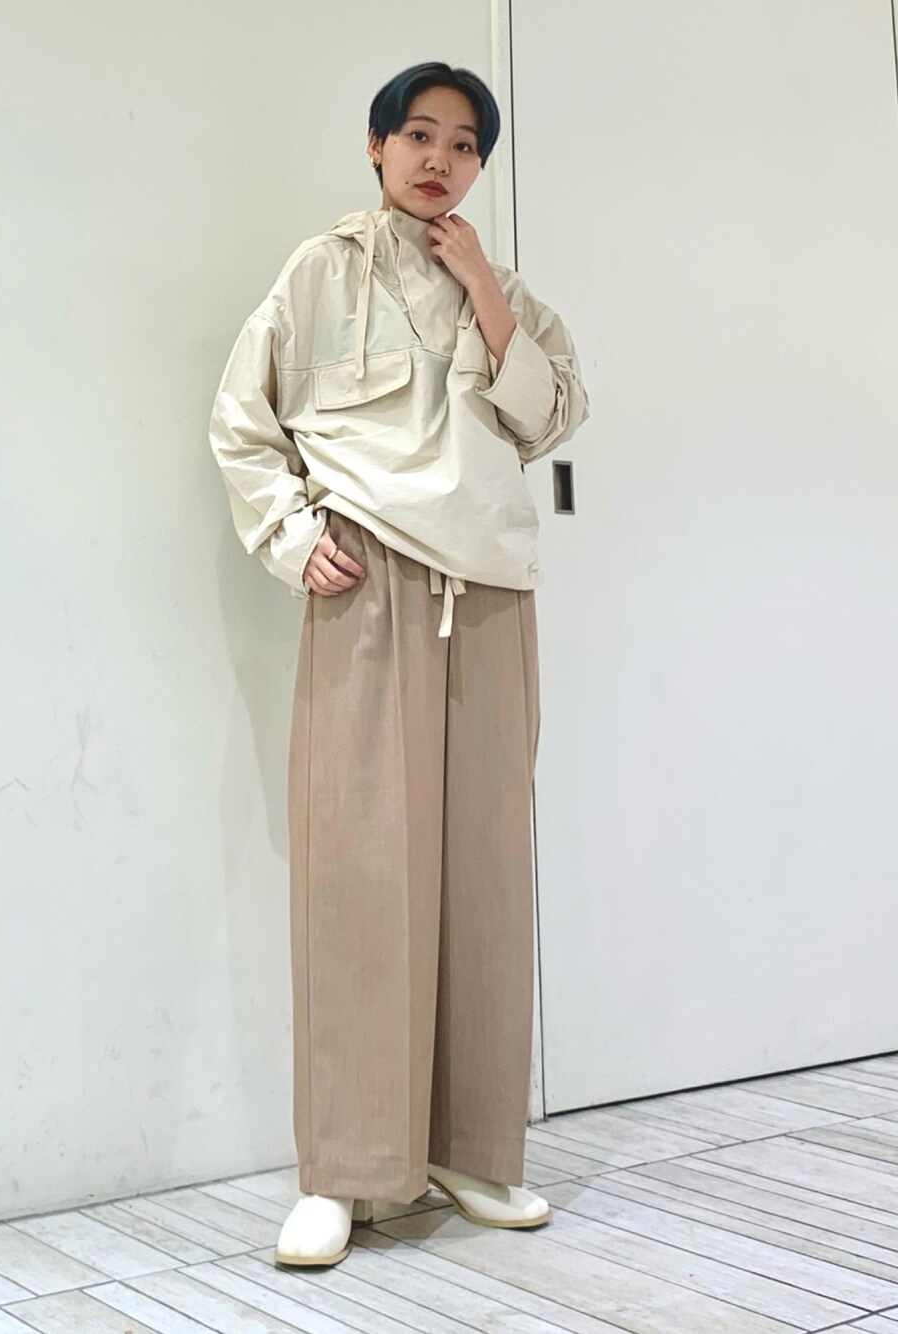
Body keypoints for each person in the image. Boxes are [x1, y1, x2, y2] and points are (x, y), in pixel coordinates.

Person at [208, 60, 590, 1268]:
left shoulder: (506, 289)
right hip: (367, 582)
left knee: (484, 875)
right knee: (356, 874)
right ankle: (346, 1167)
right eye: (418, 134)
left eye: (464, 144)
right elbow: (242, 422)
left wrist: (482, 288)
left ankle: (471, 1148)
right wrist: (290, 535)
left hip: (491, 594)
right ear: (376, 146)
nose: (439, 159)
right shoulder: (320, 272)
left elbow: (553, 416)